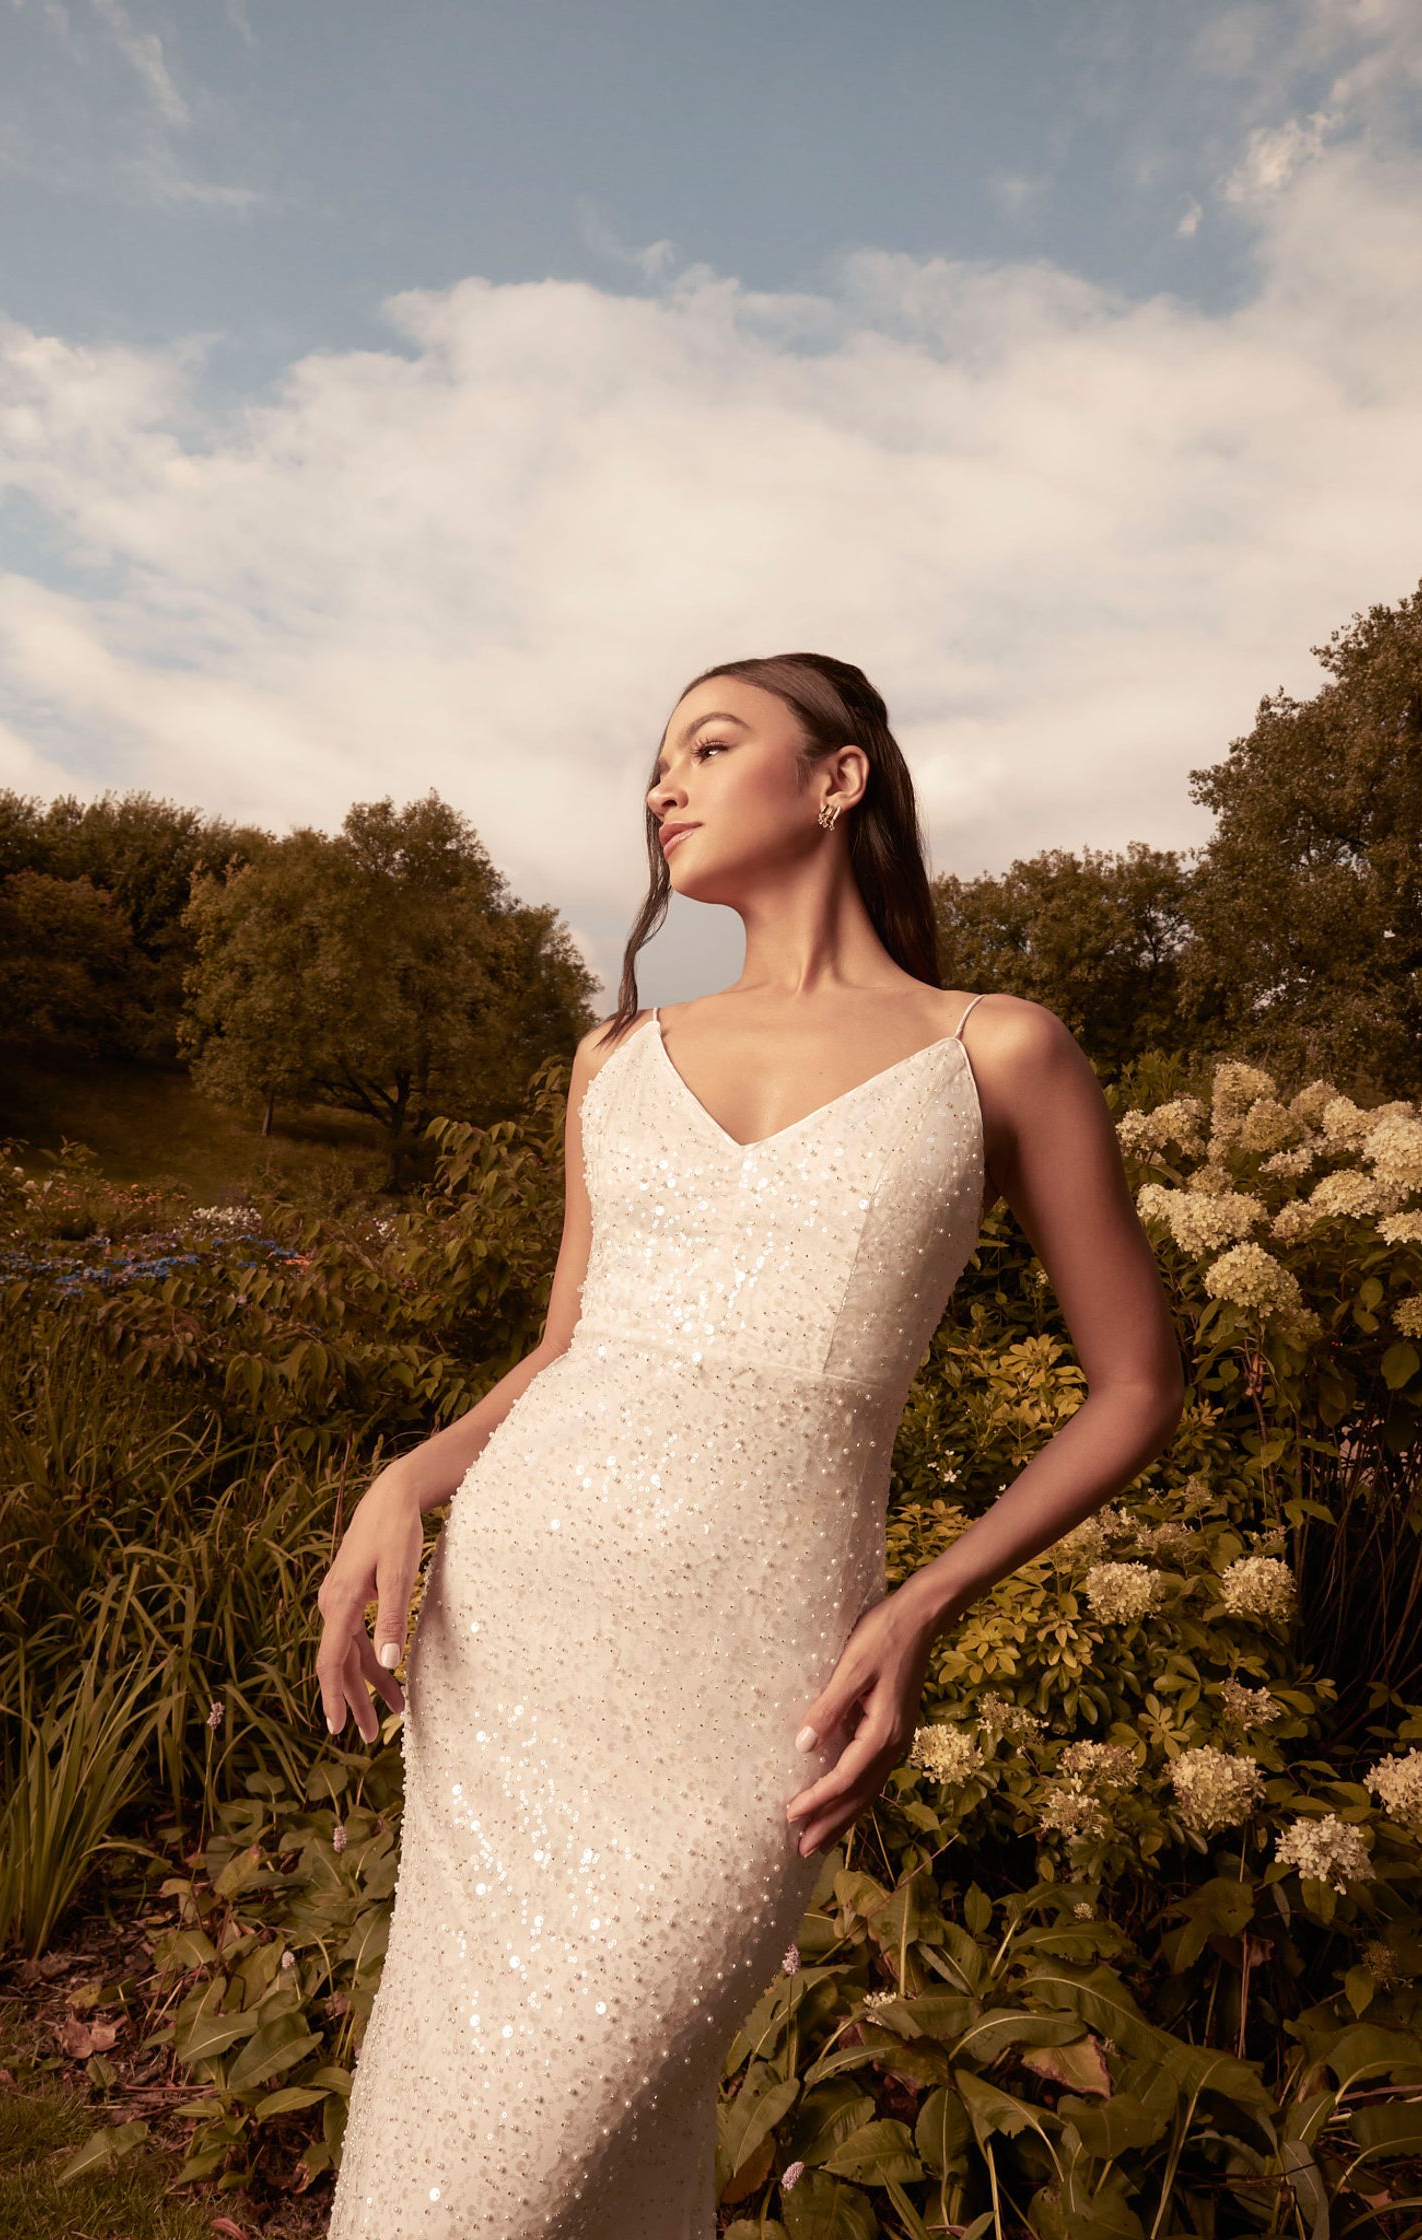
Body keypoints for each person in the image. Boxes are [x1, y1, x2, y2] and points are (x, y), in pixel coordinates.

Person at [317, 651, 1185, 2237]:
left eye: (709, 745)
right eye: (657, 762)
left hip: (751, 1682)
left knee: (496, 2183)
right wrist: (407, 1476)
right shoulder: (611, 1061)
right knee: (533, 2168)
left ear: (837, 778)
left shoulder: (995, 1051)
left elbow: (1133, 1386)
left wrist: (920, 1601)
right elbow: (565, 1348)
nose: (664, 783)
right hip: (510, 1645)